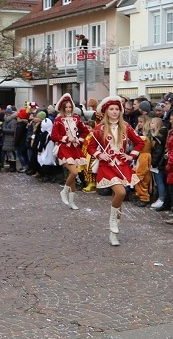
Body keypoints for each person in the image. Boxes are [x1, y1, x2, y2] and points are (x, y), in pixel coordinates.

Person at [90, 96, 144, 246]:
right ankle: (112, 220)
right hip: (107, 166)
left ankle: (113, 233)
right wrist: (100, 155)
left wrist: (131, 155)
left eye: (116, 109)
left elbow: (139, 142)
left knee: (118, 199)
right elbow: (91, 147)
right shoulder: (99, 128)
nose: (114, 112)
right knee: (121, 193)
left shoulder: (126, 126)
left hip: (122, 165)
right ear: (106, 111)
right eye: (111, 109)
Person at [51, 93, 90, 210]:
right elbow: (53, 136)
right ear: (62, 108)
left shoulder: (76, 118)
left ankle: (72, 201)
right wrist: (67, 138)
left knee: (72, 175)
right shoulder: (58, 120)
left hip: (75, 148)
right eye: (66, 107)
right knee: (74, 172)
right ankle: (64, 191)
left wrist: (80, 140)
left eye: (70, 107)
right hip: (64, 148)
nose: (68, 109)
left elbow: (85, 130)